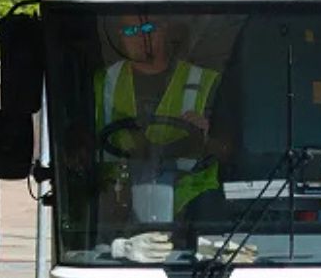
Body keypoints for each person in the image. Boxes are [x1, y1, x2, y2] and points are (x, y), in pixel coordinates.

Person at [95, 14, 227, 221]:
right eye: (130, 31)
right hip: (119, 203)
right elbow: (81, 142)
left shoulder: (208, 81)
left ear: (167, 30)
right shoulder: (104, 82)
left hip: (194, 206)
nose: (141, 38)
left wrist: (207, 137)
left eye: (148, 28)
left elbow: (231, 152)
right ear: (120, 37)